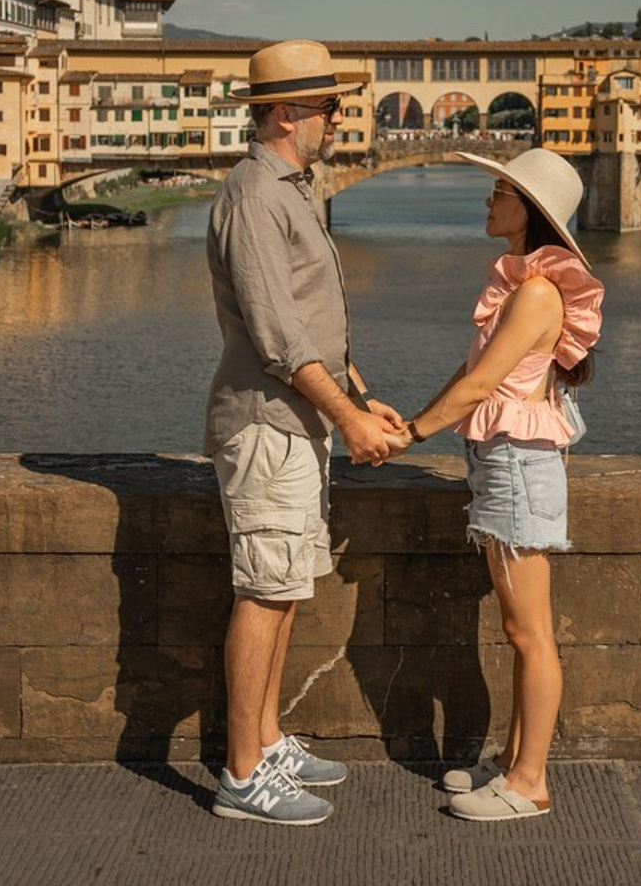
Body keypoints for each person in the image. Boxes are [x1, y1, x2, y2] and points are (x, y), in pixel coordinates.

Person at [204, 40, 407, 826]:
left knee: (285, 586)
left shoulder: (293, 189)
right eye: (331, 107)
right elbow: (279, 336)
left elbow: (316, 323)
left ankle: (266, 737)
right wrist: (350, 420)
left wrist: (361, 395)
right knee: (263, 590)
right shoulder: (256, 196)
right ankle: (242, 774)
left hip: (297, 422)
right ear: (288, 115)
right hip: (265, 424)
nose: (340, 118)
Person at [394, 147, 604, 821]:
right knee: (522, 630)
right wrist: (411, 423)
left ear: (530, 212)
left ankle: (530, 784)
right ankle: (513, 764)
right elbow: (469, 376)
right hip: (503, 459)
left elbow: (483, 387)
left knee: (529, 632)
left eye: (500, 193)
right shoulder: (523, 289)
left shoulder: (537, 292)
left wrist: (416, 434)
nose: (489, 202)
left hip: (518, 464)